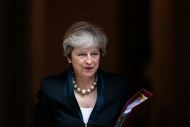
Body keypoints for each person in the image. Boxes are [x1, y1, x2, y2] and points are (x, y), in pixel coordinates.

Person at [35, 21, 130, 127]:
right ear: (69, 57)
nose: (89, 61)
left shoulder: (117, 86)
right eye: (82, 54)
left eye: (94, 54)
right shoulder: (51, 89)